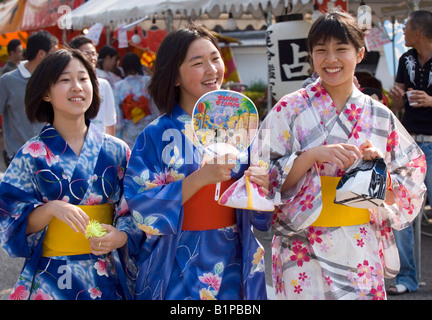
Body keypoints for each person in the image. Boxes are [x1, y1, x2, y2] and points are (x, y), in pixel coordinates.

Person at [253, 10, 426, 300]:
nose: (330, 59)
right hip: (301, 244)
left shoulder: (379, 115)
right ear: (311, 56)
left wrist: (376, 170)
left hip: (358, 241)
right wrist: (311, 156)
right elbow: (262, 174)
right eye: (321, 50)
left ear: (359, 53)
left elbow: (410, 178)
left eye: (341, 49)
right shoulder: (290, 109)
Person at [115, 23, 273, 300]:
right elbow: (141, 206)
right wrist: (200, 178)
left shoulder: (240, 127)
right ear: (174, 77)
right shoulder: (156, 134)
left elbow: (261, 210)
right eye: (198, 63)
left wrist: (261, 186)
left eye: (215, 58)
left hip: (234, 254)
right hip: (178, 257)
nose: (212, 69)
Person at [0, 49, 130, 300]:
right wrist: (49, 210)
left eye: (83, 79)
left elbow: (136, 209)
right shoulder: (31, 154)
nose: (77, 87)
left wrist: (121, 235)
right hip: (51, 277)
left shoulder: (117, 150)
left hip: (104, 275)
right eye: (64, 80)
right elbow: (8, 217)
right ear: (46, 92)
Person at [388, 10, 432, 295]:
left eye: (405, 28)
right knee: (400, 212)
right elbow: (400, 94)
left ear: (418, 32)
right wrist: (397, 96)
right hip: (408, 143)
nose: (402, 32)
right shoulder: (406, 60)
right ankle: (407, 278)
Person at [0, 30, 58, 167]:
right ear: (41, 54)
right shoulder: (8, 81)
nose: (57, 58)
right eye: (54, 53)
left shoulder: (53, 80)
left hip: (51, 157)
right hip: (19, 158)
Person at [68, 35, 117, 136]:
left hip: (99, 142)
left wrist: (111, 149)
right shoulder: (67, 86)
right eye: (86, 54)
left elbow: (110, 121)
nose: (91, 57)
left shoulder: (103, 85)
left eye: (94, 54)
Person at [113, 52, 159, 148]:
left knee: (131, 157)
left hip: (129, 130)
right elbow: (155, 105)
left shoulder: (119, 86)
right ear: (139, 65)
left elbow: (118, 113)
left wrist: (118, 129)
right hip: (149, 127)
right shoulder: (148, 81)